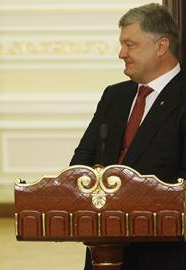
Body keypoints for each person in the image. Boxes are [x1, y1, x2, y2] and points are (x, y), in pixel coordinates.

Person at [70, 3, 186, 270]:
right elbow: (81, 159)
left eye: (130, 45)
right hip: (104, 249)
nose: (121, 53)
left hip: (163, 254)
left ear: (161, 46)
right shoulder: (115, 95)